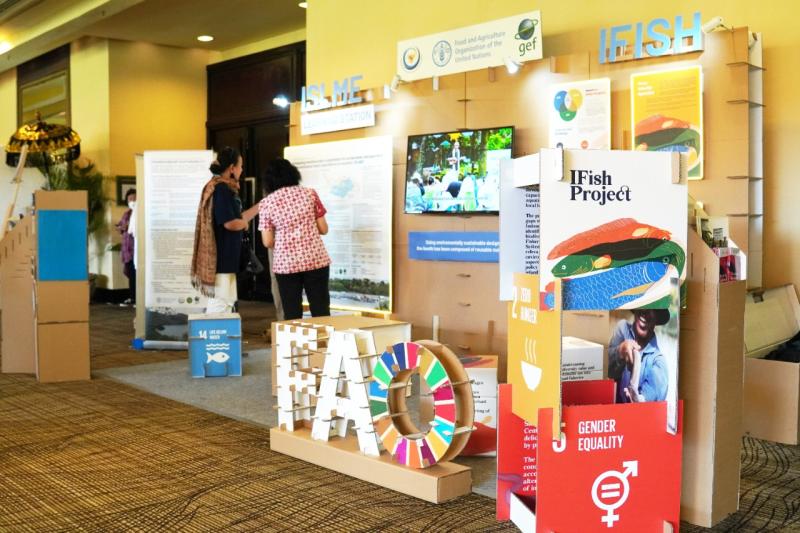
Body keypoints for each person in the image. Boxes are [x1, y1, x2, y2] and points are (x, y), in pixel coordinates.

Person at [258, 158, 331, 320]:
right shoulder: (310, 194)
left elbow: (267, 241)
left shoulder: (266, 203)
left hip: (286, 264)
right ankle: (324, 337)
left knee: (292, 313)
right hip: (315, 259)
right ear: (293, 174)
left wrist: (284, 242)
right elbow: (323, 229)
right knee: (321, 309)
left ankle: (295, 337)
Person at [191, 147, 260, 313]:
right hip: (222, 258)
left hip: (227, 258)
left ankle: (220, 330)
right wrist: (244, 224)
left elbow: (239, 217)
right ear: (231, 168)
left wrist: (260, 206)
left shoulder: (225, 188)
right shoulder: (221, 189)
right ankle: (213, 331)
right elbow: (230, 223)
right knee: (220, 304)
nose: (242, 170)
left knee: (227, 303)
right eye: (240, 166)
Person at [608, 309, 670, 403]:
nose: (644, 312)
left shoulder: (658, 363)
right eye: (642, 306)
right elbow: (605, 370)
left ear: (657, 317)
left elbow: (647, 403)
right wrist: (620, 351)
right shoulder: (622, 329)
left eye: (651, 308)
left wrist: (637, 399)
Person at [116, 188, 137, 305]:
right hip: (127, 249)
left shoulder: (139, 213)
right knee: (130, 272)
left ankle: (136, 298)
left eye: (134, 198)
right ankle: (132, 297)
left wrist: (128, 227)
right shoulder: (127, 213)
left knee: (135, 274)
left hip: (135, 249)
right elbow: (120, 225)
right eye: (130, 199)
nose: (132, 201)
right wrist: (120, 227)